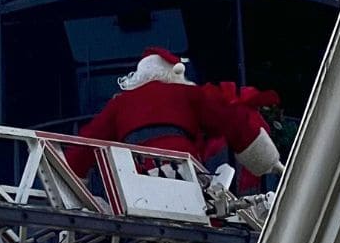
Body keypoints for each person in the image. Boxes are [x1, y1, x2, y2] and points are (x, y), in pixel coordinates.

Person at [65, 47, 282, 185]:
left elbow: (86, 143)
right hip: (183, 175)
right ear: (174, 73)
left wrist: (72, 175)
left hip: (136, 181)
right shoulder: (186, 93)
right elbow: (230, 117)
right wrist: (267, 161)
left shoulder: (118, 104)